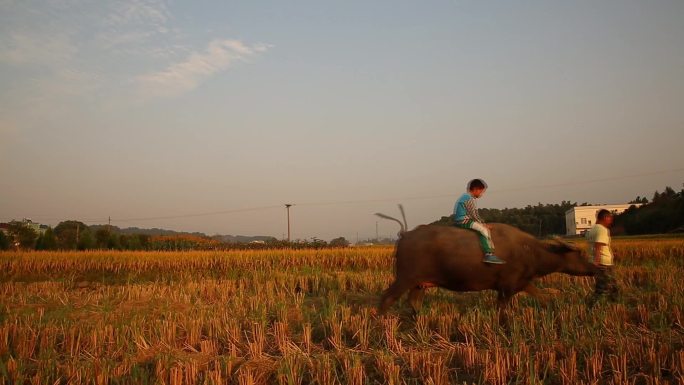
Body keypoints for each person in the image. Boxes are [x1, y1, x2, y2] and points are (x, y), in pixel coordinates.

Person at [453, 179, 506, 264]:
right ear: (476, 189)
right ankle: (489, 254)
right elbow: (474, 214)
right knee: (484, 230)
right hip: (464, 220)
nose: (482, 194)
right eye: (481, 192)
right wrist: (483, 224)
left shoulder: (465, 196)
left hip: (462, 219)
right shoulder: (469, 198)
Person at [585, 209, 619, 305]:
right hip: (603, 263)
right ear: (605, 218)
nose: (611, 220)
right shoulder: (602, 230)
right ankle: (612, 306)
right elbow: (598, 245)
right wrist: (597, 262)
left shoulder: (592, 230)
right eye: (610, 218)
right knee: (610, 288)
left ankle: (592, 306)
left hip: (596, 262)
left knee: (602, 287)